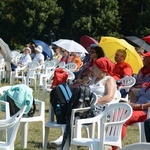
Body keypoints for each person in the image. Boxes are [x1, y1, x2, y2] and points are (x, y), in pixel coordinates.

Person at [112, 82, 150, 150]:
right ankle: (109, 141)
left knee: (123, 119)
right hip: (136, 108)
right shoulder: (147, 85)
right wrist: (132, 103)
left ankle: (113, 147)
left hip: (145, 111)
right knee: (115, 116)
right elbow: (137, 96)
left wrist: (140, 106)